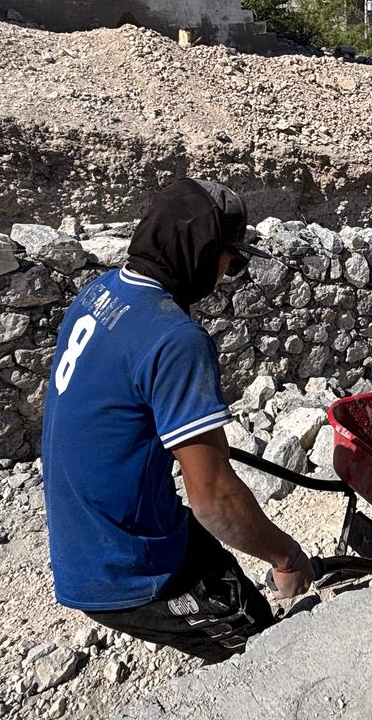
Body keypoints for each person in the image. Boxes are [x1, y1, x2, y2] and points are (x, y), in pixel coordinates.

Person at [40, 178, 315, 663]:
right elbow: (211, 497)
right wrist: (286, 557)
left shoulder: (98, 293)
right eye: (232, 263)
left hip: (90, 530)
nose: (227, 276)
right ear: (203, 250)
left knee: (229, 578)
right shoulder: (174, 339)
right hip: (124, 563)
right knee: (261, 653)